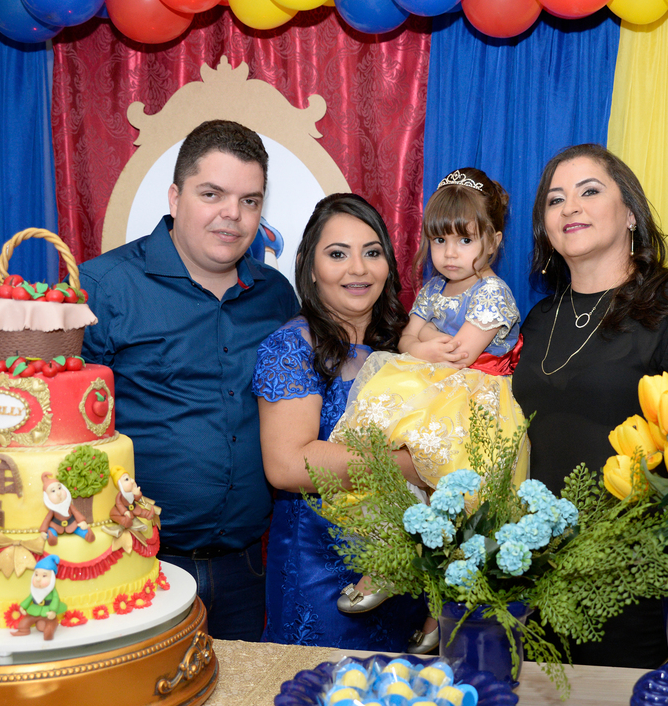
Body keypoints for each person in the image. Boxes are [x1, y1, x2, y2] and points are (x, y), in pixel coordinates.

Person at [511, 144, 668, 669]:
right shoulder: (538, 320)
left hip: (638, 577)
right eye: (555, 199)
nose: (570, 207)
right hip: (538, 576)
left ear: (631, 214)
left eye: (589, 191)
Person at [81, 120, 300, 641]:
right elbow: (63, 430)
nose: (233, 214)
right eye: (212, 194)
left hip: (246, 571)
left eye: (250, 200)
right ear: (175, 197)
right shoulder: (103, 286)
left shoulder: (276, 296)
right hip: (135, 564)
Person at [329, 168, 529, 649]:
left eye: (465, 240)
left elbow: (461, 353)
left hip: (475, 406)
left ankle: (444, 614)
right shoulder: (433, 289)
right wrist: (421, 347)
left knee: (462, 512)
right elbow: (405, 340)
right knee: (393, 472)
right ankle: (389, 559)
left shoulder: (492, 293)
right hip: (436, 392)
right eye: (440, 240)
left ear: (494, 241)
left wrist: (424, 344)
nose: (450, 253)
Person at [252, 193, 425, 651]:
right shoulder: (293, 347)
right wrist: (412, 465)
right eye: (337, 254)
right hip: (323, 578)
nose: (358, 269)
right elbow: (288, 464)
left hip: (406, 573)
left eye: (372, 252)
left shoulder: (405, 344)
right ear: (309, 267)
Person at [12, 555, 67, 641]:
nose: (38, 579)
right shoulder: (35, 590)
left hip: (48, 613)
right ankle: (23, 631)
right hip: (35, 610)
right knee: (23, 623)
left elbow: (55, 599)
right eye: (36, 574)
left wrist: (53, 611)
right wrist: (23, 606)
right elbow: (30, 597)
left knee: (48, 630)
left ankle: (48, 636)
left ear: (52, 578)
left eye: (44, 576)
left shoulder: (52, 591)